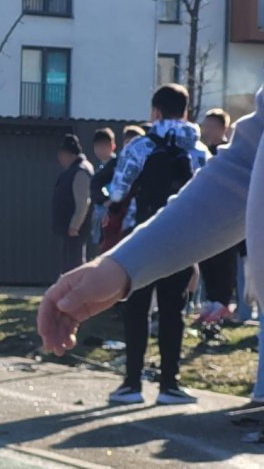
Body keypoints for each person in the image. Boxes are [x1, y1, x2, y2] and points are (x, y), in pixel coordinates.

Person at [43, 84, 209, 406]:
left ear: (155, 111)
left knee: (137, 309)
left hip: (142, 236)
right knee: (173, 311)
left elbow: (118, 192)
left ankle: (132, 384)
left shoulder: (140, 146)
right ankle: (170, 385)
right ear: (186, 111)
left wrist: (110, 202)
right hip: (182, 241)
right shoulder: (199, 150)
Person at [195, 108, 241, 321]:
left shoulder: (229, 153)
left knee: (224, 262)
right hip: (204, 216)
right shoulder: (201, 151)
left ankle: (221, 303)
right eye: (205, 126)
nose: (207, 130)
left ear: (223, 128)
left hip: (225, 217)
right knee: (207, 260)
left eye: (212, 126)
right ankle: (210, 302)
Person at [53, 134, 94, 274]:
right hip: (69, 229)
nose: (59, 158)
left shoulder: (80, 171)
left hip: (75, 230)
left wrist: (75, 225)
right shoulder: (72, 170)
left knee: (75, 266)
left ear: (68, 154)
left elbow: (83, 202)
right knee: (68, 265)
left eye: (61, 154)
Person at [89, 128, 115, 247]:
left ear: (112, 146)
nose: (101, 149)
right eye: (98, 146)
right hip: (99, 213)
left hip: (111, 213)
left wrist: (108, 202)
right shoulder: (100, 168)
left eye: (104, 145)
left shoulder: (117, 166)